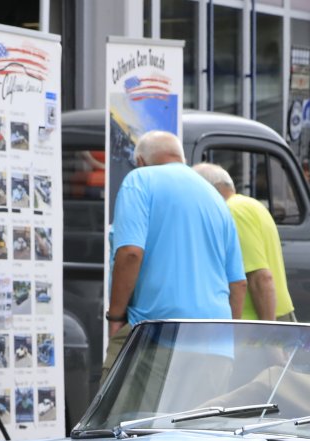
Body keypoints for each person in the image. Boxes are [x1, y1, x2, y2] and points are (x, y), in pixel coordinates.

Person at [104, 130, 245, 364]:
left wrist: (116, 317)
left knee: (116, 388)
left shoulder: (139, 180)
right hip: (216, 347)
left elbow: (130, 254)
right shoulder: (216, 198)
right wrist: (226, 341)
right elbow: (238, 283)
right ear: (182, 159)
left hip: (156, 338)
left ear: (140, 161)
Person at [193, 162, 295, 321]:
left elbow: (260, 278)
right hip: (276, 316)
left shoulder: (231, 212)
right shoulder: (252, 205)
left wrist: (267, 329)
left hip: (255, 322)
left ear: (207, 189)